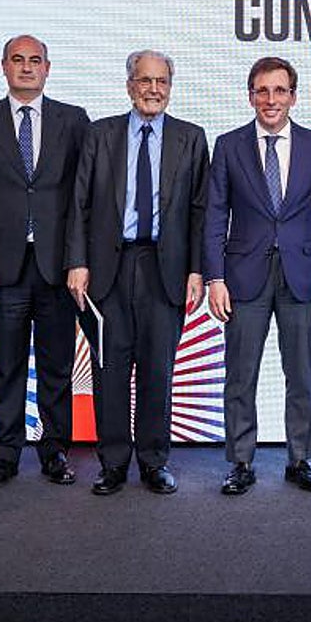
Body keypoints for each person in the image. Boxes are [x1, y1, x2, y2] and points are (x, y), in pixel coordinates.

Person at [67, 50, 208, 496]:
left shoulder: (192, 138)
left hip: (164, 271)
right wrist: (77, 262)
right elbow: (80, 203)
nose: (153, 89)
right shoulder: (100, 134)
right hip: (109, 267)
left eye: (161, 81)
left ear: (170, 86)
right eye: (144, 81)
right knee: (110, 369)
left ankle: (153, 461)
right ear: (130, 86)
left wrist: (197, 270)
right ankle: (112, 463)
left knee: (157, 370)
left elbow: (199, 211)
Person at [0, 35, 89, 489]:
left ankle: (54, 452)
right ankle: (6, 454)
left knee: (55, 366)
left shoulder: (74, 120)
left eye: (35, 61)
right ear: (4, 66)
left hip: (56, 267)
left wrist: (78, 259)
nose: (27, 68)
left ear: (48, 68)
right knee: (6, 365)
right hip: (0, 266)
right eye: (18, 60)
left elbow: (83, 199)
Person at [203, 57, 311, 495]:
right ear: (250, 96)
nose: (271, 100)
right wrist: (214, 278)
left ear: (293, 97)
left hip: (304, 273)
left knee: (301, 372)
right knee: (240, 374)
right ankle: (241, 462)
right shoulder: (228, 145)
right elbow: (214, 216)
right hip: (243, 276)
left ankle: (300, 459)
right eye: (262, 91)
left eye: (280, 91)